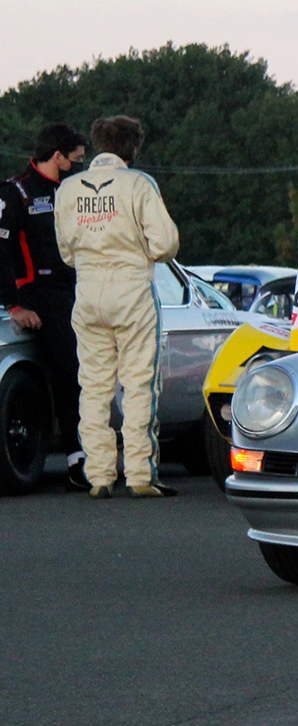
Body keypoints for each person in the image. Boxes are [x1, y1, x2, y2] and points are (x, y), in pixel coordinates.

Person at [53, 116, 180, 498]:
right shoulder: (140, 184)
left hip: (88, 290)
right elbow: (166, 244)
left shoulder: (68, 188)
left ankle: (99, 475)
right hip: (131, 290)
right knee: (139, 384)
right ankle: (141, 475)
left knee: (92, 386)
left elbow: (65, 251)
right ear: (132, 147)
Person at [3, 123, 89, 488]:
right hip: (41, 293)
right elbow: (0, 252)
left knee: (92, 371)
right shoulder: (16, 191)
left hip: (81, 290)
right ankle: (76, 458)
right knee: (72, 369)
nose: (79, 166)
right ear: (57, 156)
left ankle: (100, 452)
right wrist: (14, 305)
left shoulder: (77, 190)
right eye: (75, 159)